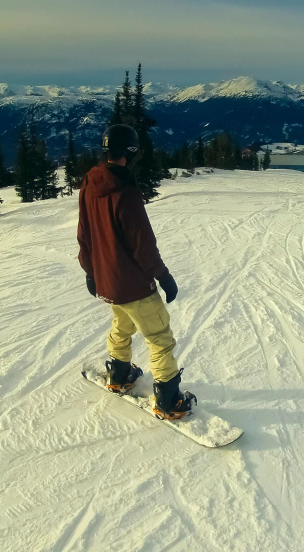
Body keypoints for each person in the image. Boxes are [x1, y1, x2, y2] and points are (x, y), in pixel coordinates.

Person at [77, 124, 196, 420]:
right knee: (159, 336)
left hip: (108, 281)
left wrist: (91, 272)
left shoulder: (90, 183)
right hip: (133, 284)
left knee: (122, 322)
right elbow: (143, 244)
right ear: (131, 152)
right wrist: (163, 276)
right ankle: (169, 400)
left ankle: (119, 373)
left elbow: (84, 234)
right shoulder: (126, 192)